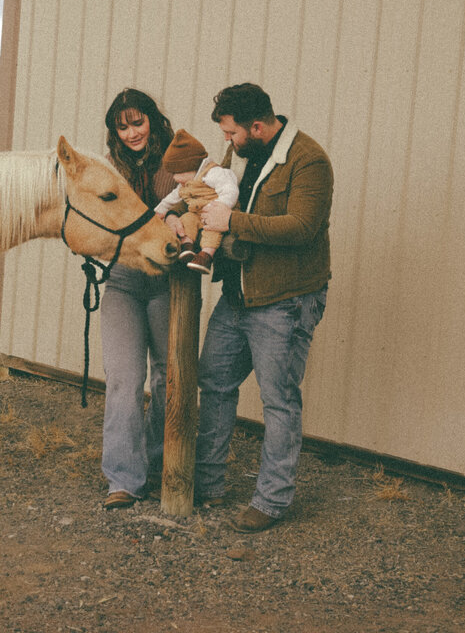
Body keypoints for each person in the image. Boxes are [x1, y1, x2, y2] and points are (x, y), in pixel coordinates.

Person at [193, 82, 332, 532]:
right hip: (236, 297)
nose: (227, 143)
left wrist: (231, 221)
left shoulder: (309, 160)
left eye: (232, 134)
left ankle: (271, 501)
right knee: (213, 383)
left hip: (283, 303)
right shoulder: (246, 157)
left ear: (256, 126)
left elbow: (302, 227)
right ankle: (208, 483)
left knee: (279, 401)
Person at [98, 88, 176, 510]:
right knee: (125, 379)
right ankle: (123, 479)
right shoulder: (108, 170)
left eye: (137, 122)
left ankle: (160, 463)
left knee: (168, 377)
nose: (131, 133)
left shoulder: (176, 161)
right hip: (124, 281)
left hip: (167, 281)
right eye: (122, 126)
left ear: (152, 119)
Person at [153, 129, 239, 274]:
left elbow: (230, 190)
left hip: (217, 215)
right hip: (197, 214)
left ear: (190, 166)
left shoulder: (212, 173)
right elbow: (171, 199)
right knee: (186, 219)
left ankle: (206, 256)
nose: (174, 178)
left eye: (177, 173)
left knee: (211, 230)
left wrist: (218, 208)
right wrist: (158, 213)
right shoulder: (185, 183)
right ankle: (187, 247)